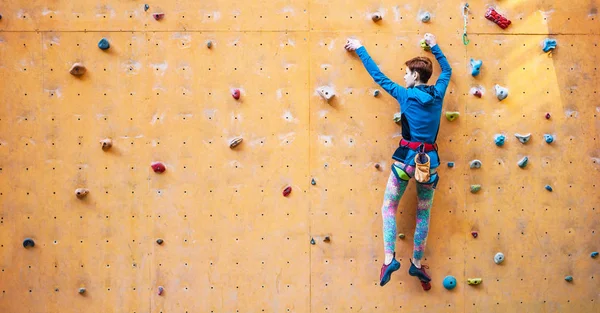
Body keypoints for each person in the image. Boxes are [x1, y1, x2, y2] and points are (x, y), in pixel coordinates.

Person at [344, 33, 452, 291]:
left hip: (405, 162)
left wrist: (360, 48)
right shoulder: (439, 93)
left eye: (406, 73)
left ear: (415, 76)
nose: (403, 77)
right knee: (423, 213)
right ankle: (416, 262)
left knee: (389, 207)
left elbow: (378, 76)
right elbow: (447, 69)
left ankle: (389, 259)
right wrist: (435, 45)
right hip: (430, 164)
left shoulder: (404, 95)